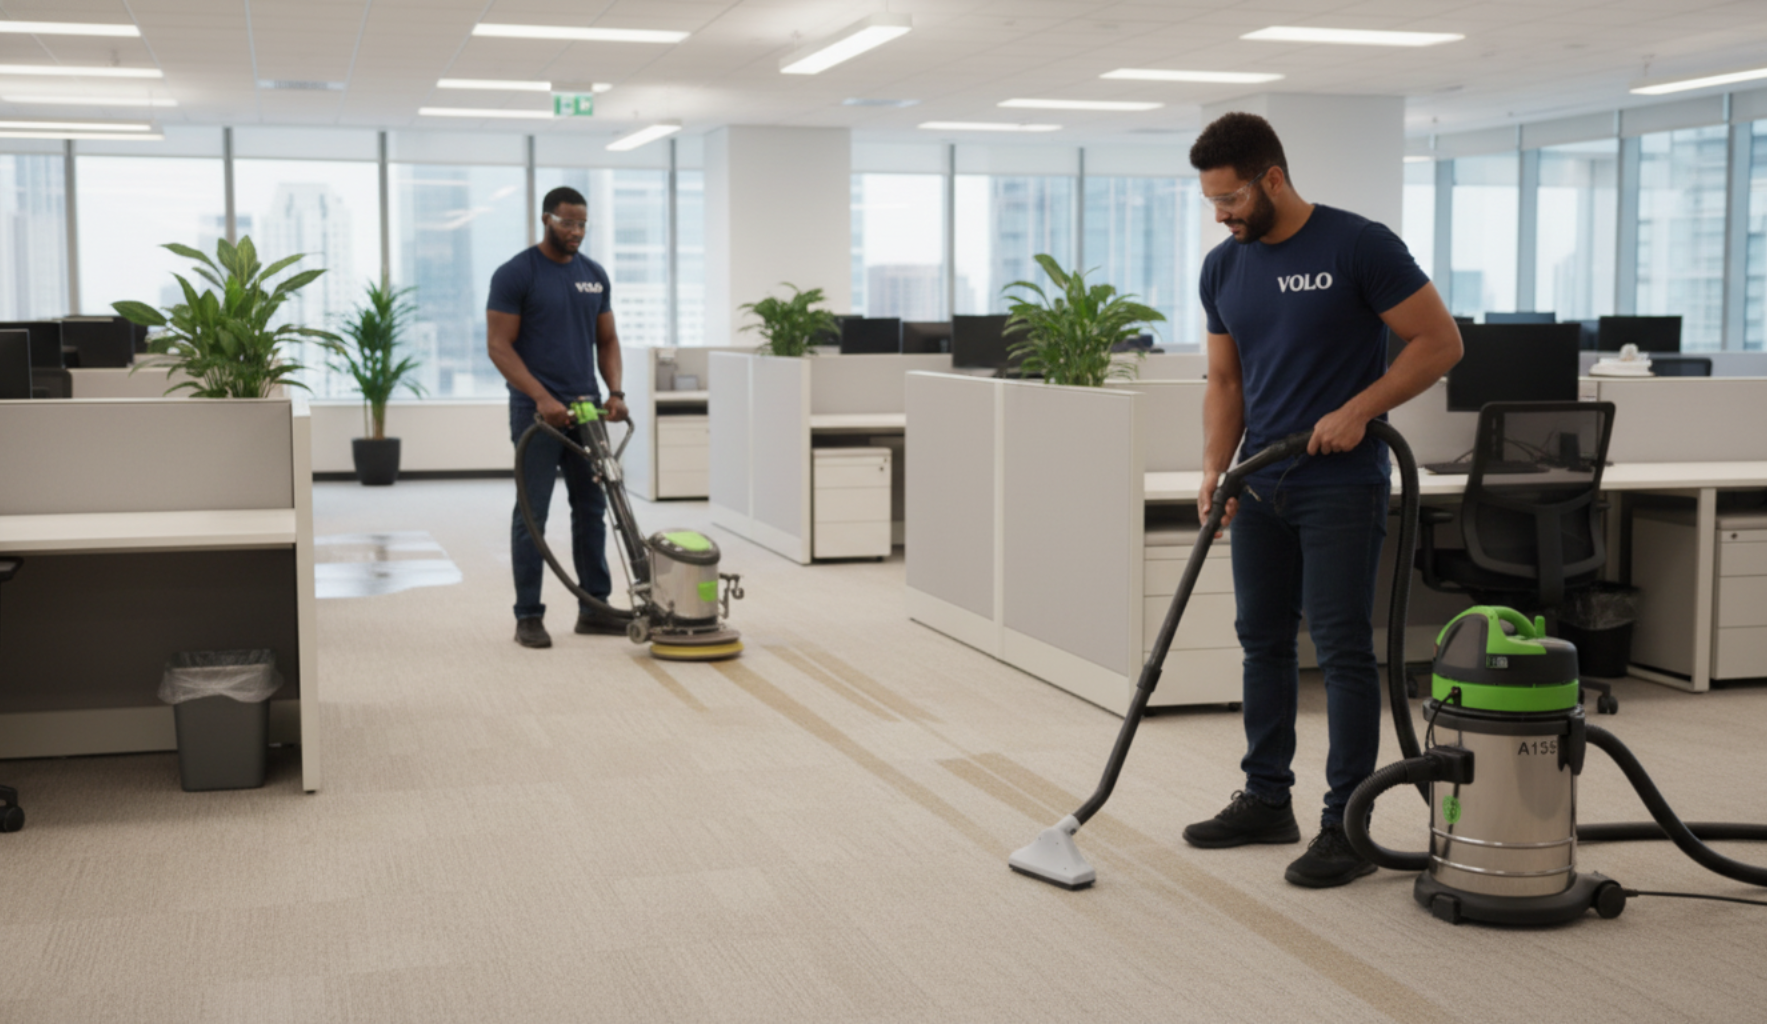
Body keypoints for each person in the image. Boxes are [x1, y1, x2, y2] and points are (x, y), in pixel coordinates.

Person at [1180, 113, 1462, 887]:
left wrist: (1359, 409)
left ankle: (1347, 824)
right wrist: (1213, 471)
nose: (1221, 215)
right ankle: (1266, 798)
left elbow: (1440, 342)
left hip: (1338, 484)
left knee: (1338, 649)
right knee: (1261, 642)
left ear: (1271, 178)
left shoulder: (1356, 245)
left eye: (1230, 198)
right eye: (1210, 201)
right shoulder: (1222, 267)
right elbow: (1225, 381)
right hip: (1259, 481)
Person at [487, 185, 630, 649]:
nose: (576, 231)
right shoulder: (516, 273)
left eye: (583, 224)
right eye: (568, 222)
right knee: (533, 514)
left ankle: (595, 608)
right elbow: (498, 346)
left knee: (592, 510)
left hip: (588, 408)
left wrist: (615, 391)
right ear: (546, 219)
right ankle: (528, 615)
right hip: (537, 413)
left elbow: (607, 340)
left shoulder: (594, 275)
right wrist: (541, 397)